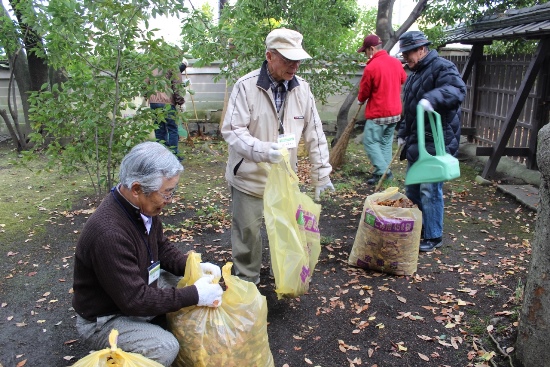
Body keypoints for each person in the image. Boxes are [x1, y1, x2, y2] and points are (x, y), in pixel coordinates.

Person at [72, 141, 223, 366]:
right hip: (106, 316)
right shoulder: (109, 233)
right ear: (136, 189)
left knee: (189, 279)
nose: (169, 200)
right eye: (166, 193)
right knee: (164, 347)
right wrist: (195, 295)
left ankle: (155, 320)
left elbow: (161, 248)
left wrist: (192, 268)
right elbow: (135, 300)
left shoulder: (139, 207)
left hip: (134, 288)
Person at [221, 28, 334, 285]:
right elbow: (232, 130)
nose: (294, 66)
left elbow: (315, 133)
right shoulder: (245, 87)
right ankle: (246, 282)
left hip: (284, 179)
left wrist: (320, 174)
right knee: (247, 232)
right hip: (248, 177)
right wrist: (262, 150)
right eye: (287, 59)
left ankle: (281, 275)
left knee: (284, 231)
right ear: (269, 56)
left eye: (297, 60)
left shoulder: (303, 90)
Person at [396, 31, 466, 252]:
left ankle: (433, 235)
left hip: (437, 140)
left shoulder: (442, 67)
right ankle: (419, 229)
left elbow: (457, 90)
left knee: (429, 189)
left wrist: (432, 98)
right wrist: (402, 132)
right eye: (404, 53)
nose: (406, 58)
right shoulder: (415, 74)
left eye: (408, 53)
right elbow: (410, 109)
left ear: (422, 49)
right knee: (412, 190)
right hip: (416, 141)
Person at [356, 34, 407, 185]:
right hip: (395, 112)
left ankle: (385, 172)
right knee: (385, 143)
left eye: (366, 51)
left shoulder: (372, 67)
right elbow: (404, 79)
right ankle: (381, 174)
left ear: (372, 49)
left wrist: (360, 100)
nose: (366, 54)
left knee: (370, 142)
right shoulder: (396, 63)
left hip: (379, 112)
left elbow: (364, 91)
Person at [148, 67, 185, 160]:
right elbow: (176, 85)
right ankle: (173, 156)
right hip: (167, 102)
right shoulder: (172, 64)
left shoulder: (150, 64)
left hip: (153, 102)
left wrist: (147, 96)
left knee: (159, 129)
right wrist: (180, 101)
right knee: (172, 129)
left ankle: (161, 156)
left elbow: (145, 82)